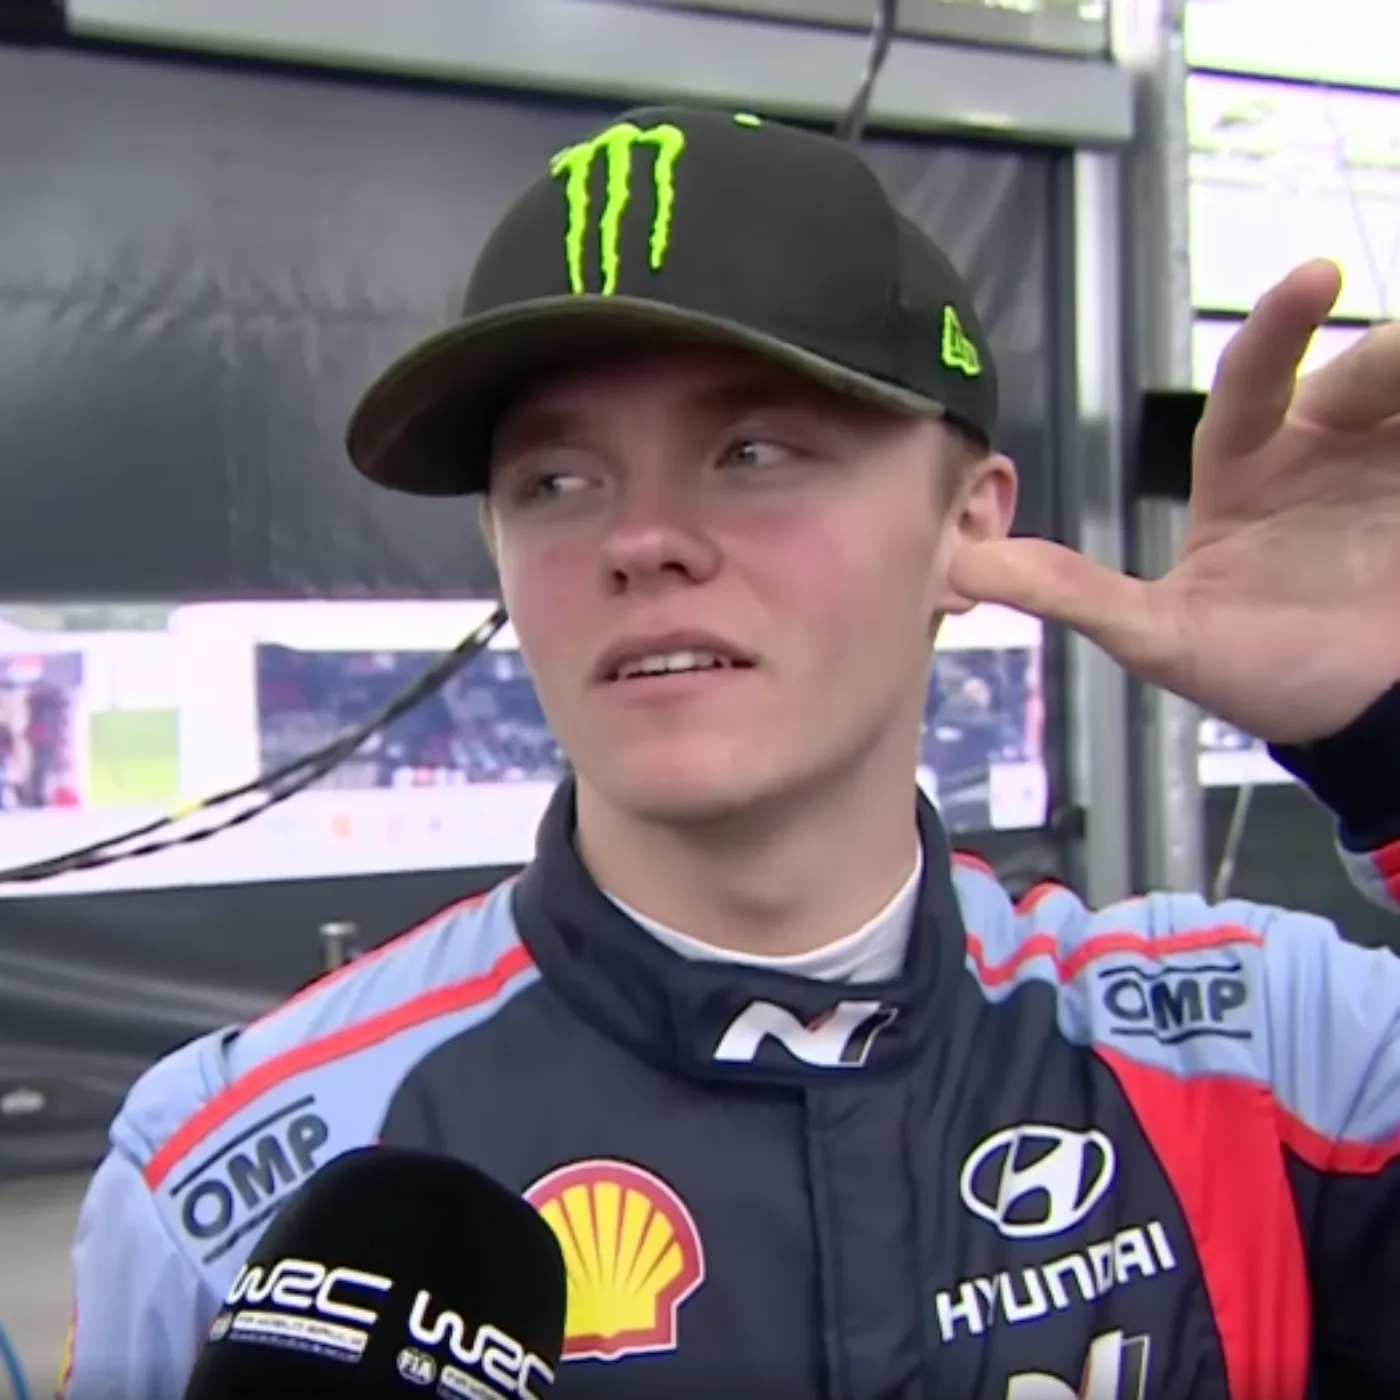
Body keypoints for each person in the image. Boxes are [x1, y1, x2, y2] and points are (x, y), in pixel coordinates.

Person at [62, 105, 1400, 1400]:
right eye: (555, 481)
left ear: (970, 523)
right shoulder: (227, 1186)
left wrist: (1387, 741)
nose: (640, 539)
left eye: (752, 450)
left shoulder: (1271, 1055)